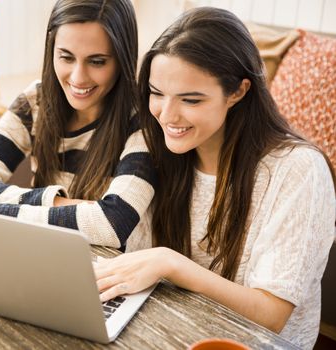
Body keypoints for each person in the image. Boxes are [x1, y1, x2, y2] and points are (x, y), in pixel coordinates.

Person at [94, 7, 335, 349]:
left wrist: (171, 263)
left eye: (190, 99)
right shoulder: (159, 148)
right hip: (165, 332)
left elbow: (271, 314)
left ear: (237, 92)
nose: (167, 115)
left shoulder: (298, 170)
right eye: (157, 93)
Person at [0, 0, 155, 251]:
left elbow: (111, 225)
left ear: (122, 59)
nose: (78, 77)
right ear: (51, 50)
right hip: (42, 249)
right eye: (66, 57)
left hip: (112, 268)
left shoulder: (145, 119)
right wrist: (58, 202)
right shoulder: (35, 101)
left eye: (97, 61)